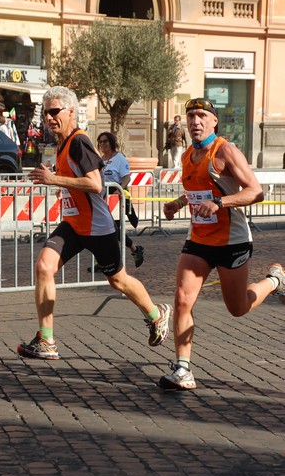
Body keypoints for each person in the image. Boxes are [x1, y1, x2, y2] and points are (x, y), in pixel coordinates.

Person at [17, 85, 172, 360]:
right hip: (74, 225)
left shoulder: (79, 141)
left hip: (97, 227)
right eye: (46, 112)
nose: (49, 118)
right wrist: (61, 184)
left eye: (55, 111)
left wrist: (55, 179)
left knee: (119, 280)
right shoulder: (62, 143)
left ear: (71, 112)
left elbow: (95, 183)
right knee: (44, 267)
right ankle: (46, 340)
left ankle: (156, 314)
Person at [160, 97, 285, 391]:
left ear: (214, 121)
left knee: (237, 307)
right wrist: (178, 203)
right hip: (199, 240)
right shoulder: (188, 154)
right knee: (181, 299)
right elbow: (197, 192)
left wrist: (221, 203)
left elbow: (256, 192)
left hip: (233, 240)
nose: (195, 121)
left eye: (202, 115)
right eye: (191, 116)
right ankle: (183, 369)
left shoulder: (226, 150)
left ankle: (274, 280)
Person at [95, 131, 144, 268]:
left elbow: (127, 177)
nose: (103, 144)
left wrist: (120, 189)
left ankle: (126, 254)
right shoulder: (100, 160)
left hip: (118, 196)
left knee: (114, 229)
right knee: (104, 229)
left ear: (111, 142)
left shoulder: (120, 159)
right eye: (100, 142)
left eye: (105, 141)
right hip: (104, 198)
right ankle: (106, 260)